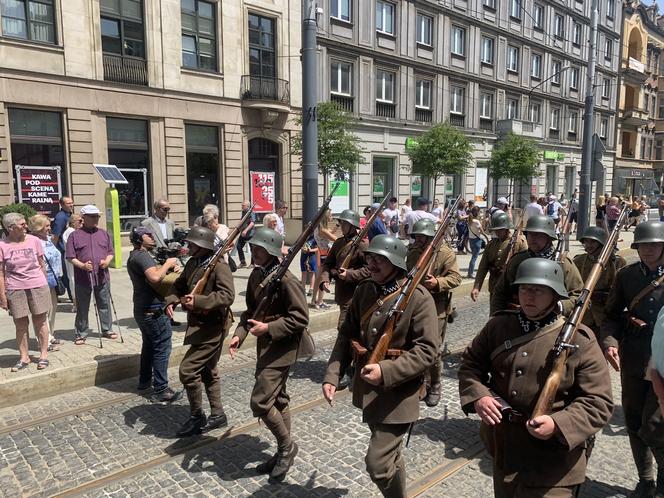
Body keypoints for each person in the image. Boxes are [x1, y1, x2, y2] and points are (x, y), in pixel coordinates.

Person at [459, 258, 613, 497]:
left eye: (538, 290)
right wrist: (479, 396)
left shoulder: (581, 339)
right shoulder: (499, 326)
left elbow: (598, 402)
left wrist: (558, 424)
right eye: (524, 289)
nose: (529, 295)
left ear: (554, 294)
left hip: (555, 461)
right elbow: (470, 365)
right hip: (504, 449)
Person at [322, 234, 438, 498]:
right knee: (388, 457)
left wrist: (386, 371)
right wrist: (332, 374)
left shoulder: (419, 298)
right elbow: (346, 335)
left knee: (378, 464)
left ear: (396, 263)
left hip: (399, 395)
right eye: (371, 258)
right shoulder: (365, 290)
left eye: (380, 260)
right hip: (369, 391)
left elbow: (428, 350)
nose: (372, 264)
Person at [229, 227, 308, 482]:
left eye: (260, 249)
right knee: (279, 399)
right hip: (267, 347)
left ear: (272, 251)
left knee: (260, 401)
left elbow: (300, 318)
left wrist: (269, 328)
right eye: (253, 248)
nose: (255, 252)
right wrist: (239, 335)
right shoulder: (256, 276)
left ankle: (286, 447)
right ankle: (281, 451)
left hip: (283, 348)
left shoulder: (286, 280)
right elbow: (251, 312)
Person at [601, 220, 664, 497]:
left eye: (654, 244)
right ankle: (646, 480)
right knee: (635, 422)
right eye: (642, 245)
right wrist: (610, 342)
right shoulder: (626, 276)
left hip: (663, 363)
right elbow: (611, 315)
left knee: (654, 426)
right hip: (634, 358)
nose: (648, 250)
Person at [165, 226, 234, 436]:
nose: (189, 246)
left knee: (187, 370)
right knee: (208, 370)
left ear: (203, 245)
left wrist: (199, 301)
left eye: (193, 243)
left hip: (214, 326)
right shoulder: (194, 263)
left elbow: (227, 296)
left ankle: (197, 416)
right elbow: (179, 285)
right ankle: (217, 414)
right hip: (198, 325)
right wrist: (172, 300)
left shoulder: (219, 266)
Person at [406, 219, 461, 406]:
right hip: (414, 305)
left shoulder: (445, 253)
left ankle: (435, 384)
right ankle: (421, 381)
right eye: (417, 236)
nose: (419, 240)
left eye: (423, 237)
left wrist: (437, 282)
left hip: (437, 308)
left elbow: (455, 278)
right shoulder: (412, 253)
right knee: (414, 345)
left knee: (433, 350)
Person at [127, 227, 182, 403]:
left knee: (149, 346)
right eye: (147, 235)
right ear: (139, 239)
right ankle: (161, 389)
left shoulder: (135, 255)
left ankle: (144, 382)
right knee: (162, 346)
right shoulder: (142, 256)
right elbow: (154, 278)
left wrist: (169, 267)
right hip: (152, 310)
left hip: (143, 308)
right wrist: (169, 264)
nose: (151, 237)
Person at [490, 215, 584, 316]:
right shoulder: (517, 261)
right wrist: (495, 318)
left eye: (538, 235)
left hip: (551, 320)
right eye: (531, 234)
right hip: (518, 319)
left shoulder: (563, 263)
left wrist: (560, 306)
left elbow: (578, 295)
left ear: (548, 238)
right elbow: (500, 292)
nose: (533, 238)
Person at [0, 213, 51, 372]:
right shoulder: (2, 245)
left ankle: (43, 355)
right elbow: (1, 273)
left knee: (40, 321)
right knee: (20, 324)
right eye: (22, 225)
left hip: (37, 286)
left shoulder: (34, 240)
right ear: (11, 228)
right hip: (15, 288)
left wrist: (43, 284)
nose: (26, 227)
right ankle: (24, 356)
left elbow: (42, 265)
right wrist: (2, 295)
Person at [66, 205, 116, 345]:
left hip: (102, 276)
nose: (96, 219)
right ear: (84, 218)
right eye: (93, 216)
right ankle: (81, 332)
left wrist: (107, 261)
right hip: (83, 278)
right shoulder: (74, 235)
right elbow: (70, 257)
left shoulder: (103, 233)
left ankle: (107, 329)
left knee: (104, 303)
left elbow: (110, 252)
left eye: (97, 216)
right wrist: (82, 265)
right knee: (82, 306)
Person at [572, 227, 626, 334]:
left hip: (606, 313)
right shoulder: (578, 261)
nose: (588, 245)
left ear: (601, 243)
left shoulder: (616, 262)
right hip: (584, 314)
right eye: (586, 242)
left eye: (592, 242)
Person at [319, 209, 371, 320]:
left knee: (343, 327)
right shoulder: (339, 243)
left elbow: (369, 270)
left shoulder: (363, 245)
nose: (342, 226)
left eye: (345, 223)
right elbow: (328, 264)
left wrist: (349, 274)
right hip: (342, 293)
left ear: (353, 226)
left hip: (356, 295)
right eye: (341, 223)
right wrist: (325, 279)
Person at [471, 212, 527, 303]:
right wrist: (477, 287)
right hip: (495, 287)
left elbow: (526, 266)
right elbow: (483, 268)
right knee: (494, 315)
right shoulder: (491, 245)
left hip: (512, 289)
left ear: (506, 229)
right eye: (496, 230)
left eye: (500, 229)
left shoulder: (519, 242)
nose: (497, 232)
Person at [28, 214, 62, 347]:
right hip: (40, 280)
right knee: (42, 312)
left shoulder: (48, 239)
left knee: (52, 308)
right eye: (47, 226)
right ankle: (43, 341)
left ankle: (50, 335)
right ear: (39, 227)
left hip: (53, 279)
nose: (50, 228)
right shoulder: (32, 241)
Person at [312, 208, 337, 308]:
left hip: (321, 253)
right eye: (331, 215)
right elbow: (334, 238)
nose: (332, 217)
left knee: (318, 278)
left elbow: (330, 232)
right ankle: (320, 301)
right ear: (326, 217)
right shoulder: (322, 230)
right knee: (323, 278)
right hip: (324, 255)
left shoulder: (319, 228)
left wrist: (337, 226)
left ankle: (314, 300)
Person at [51, 196, 74, 301]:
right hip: (62, 250)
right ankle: (72, 297)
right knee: (68, 275)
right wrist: (54, 250)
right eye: (68, 203)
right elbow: (56, 236)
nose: (71, 205)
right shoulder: (60, 217)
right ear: (62, 205)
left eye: (71, 202)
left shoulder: (69, 215)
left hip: (69, 249)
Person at [62, 214, 83, 312]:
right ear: (73, 222)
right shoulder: (70, 232)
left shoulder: (75, 231)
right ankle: (75, 303)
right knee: (73, 280)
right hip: (72, 260)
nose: (82, 223)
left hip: (77, 260)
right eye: (79, 221)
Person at [466, 206, 489, 279]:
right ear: (477, 212)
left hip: (471, 239)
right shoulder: (476, 221)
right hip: (476, 240)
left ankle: (470, 272)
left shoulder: (469, 220)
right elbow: (482, 231)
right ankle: (470, 273)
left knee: (473, 256)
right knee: (474, 257)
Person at [236, 200, 257, 268]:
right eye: (242, 205)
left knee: (252, 249)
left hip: (250, 234)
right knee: (239, 247)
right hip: (243, 234)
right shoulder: (243, 212)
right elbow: (242, 220)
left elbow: (252, 223)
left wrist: (246, 230)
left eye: (243, 205)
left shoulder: (251, 212)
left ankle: (253, 263)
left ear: (247, 206)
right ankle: (243, 262)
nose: (242, 206)